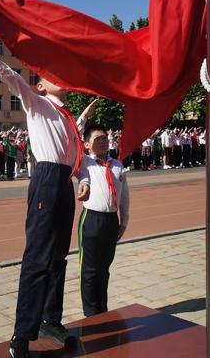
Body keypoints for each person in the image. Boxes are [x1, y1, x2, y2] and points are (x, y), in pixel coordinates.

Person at [0, 29, 90, 358]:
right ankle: (22, 333)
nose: (60, 78)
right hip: (45, 179)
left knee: (58, 258)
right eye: (51, 75)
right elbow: (11, 77)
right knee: (38, 257)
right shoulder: (38, 103)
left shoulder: (67, 117)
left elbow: (75, 152)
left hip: (64, 183)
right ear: (41, 85)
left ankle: (50, 320)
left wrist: (83, 177)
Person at [77, 121, 130, 316]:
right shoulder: (83, 162)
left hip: (110, 221)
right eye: (97, 139)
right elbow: (70, 139)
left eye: (105, 138)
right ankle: (91, 314)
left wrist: (124, 221)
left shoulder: (117, 165)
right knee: (90, 271)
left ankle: (102, 310)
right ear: (87, 144)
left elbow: (124, 195)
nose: (103, 142)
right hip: (91, 220)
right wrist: (84, 119)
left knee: (104, 269)